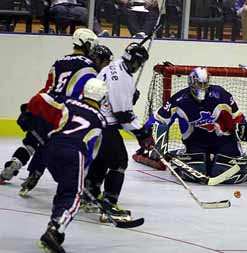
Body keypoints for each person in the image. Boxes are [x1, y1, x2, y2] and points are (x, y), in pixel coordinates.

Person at [0, 28, 101, 190]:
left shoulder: (59, 61)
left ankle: (13, 165)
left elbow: (48, 87)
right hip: (65, 112)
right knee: (52, 144)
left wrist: (32, 108)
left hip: (46, 106)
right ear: (87, 44)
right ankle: (38, 173)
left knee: (32, 141)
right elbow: (86, 94)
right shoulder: (90, 67)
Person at [136, 67, 247, 184]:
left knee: (222, 172)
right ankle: (181, 154)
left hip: (223, 140)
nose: (201, 87)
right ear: (191, 82)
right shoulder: (179, 100)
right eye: (198, 83)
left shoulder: (221, 94)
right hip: (196, 141)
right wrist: (147, 135)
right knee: (198, 171)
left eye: (204, 84)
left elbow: (238, 117)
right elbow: (158, 119)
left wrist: (245, 131)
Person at [19, 78, 107, 253]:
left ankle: (54, 227)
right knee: (72, 193)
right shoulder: (100, 120)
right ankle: (56, 228)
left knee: (64, 186)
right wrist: (81, 175)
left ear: (84, 92)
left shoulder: (67, 102)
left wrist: (27, 113)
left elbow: (41, 99)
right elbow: (91, 151)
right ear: (103, 99)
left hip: (50, 149)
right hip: (74, 153)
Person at [83, 42, 155, 218]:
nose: (139, 67)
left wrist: (130, 97)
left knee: (102, 159)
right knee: (119, 162)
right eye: (140, 63)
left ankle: (88, 195)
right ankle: (109, 204)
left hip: (94, 120)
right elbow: (122, 115)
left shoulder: (114, 66)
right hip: (104, 124)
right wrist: (142, 133)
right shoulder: (122, 78)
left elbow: (117, 103)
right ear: (135, 61)